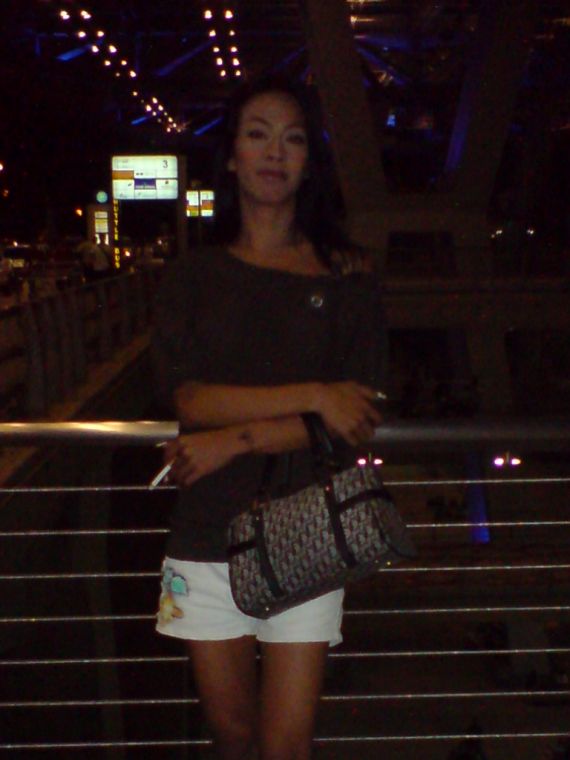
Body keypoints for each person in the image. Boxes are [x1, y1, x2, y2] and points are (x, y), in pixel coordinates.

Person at [151, 73, 387, 760]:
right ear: (230, 156)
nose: (275, 152)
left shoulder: (347, 277)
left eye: (293, 139)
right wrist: (313, 394)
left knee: (286, 745)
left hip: (310, 526)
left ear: (311, 160)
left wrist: (237, 439)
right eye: (257, 135)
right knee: (232, 736)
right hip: (205, 527)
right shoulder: (194, 274)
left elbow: (357, 412)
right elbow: (188, 398)